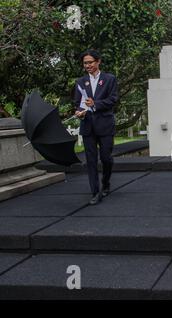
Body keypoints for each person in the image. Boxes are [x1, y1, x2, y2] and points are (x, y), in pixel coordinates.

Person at [74, 49, 118, 205]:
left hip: (105, 125)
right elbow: (77, 103)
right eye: (85, 63)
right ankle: (95, 192)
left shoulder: (109, 79)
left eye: (90, 62)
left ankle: (106, 183)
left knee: (106, 158)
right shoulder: (80, 82)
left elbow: (113, 99)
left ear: (98, 62)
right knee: (91, 161)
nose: (88, 65)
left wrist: (96, 104)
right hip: (87, 127)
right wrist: (79, 112)